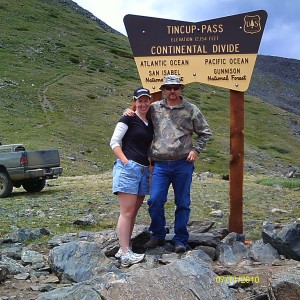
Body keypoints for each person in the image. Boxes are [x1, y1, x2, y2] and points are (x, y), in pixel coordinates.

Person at [126, 75, 212, 253]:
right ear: (163, 90)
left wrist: (195, 150)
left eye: (176, 88)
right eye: (168, 88)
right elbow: (139, 114)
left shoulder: (191, 109)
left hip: (183, 164)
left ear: (181, 89)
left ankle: (180, 239)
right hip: (159, 165)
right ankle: (157, 234)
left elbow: (205, 132)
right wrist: (128, 111)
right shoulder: (155, 108)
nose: (172, 91)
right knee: (155, 200)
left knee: (182, 203)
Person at [110, 87, 153, 267]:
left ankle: (123, 248)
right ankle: (126, 253)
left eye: (146, 100)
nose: (143, 104)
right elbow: (114, 142)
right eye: (139, 100)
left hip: (143, 170)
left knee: (133, 212)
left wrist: (149, 168)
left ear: (149, 101)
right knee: (126, 212)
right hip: (129, 169)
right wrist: (126, 162)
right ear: (134, 101)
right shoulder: (128, 118)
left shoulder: (149, 122)